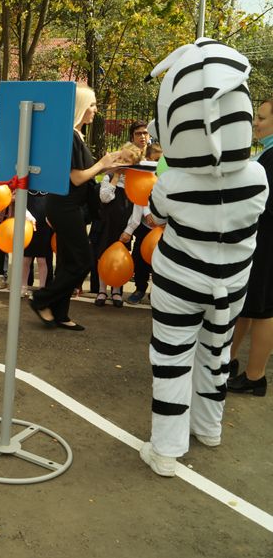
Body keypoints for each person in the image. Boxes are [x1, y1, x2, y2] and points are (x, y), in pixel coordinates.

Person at [139, 39, 268, 477]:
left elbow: (155, 218)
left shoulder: (173, 183)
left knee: (171, 358)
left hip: (180, 283)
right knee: (216, 352)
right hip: (232, 284)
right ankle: (209, 428)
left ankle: (166, 450)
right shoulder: (258, 177)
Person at [29, 86, 131, 331]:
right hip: (65, 207)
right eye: (92, 105)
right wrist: (103, 164)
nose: (95, 110)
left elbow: (85, 175)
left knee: (67, 262)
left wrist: (110, 165)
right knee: (83, 260)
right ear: (81, 107)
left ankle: (59, 313)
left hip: (67, 206)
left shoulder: (75, 135)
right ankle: (42, 300)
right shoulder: (70, 136)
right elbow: (76, 178)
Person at [227, 97, 273, 397]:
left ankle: (255, 376)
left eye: (262, 117)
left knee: (264, 310)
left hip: (266, 242)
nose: (255, 122)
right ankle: (225, 360)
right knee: (247, 306)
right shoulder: (267, 153)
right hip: (260, 240)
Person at [94, 142, 143, 307]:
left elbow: (138, 209)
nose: (121, 161)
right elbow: (105, 198)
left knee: (120, 258)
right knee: (103, 257)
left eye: (126, 159)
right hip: (107, 224)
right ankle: (102, 290)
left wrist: (129, 230)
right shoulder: (109, 177)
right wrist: (115, 177)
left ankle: (116, 291)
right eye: (120, 157)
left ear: (134, 164)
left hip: (124, 227)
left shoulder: (135, 182)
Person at [125, 121, 155, 304]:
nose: (143, 136)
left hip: (161, 219)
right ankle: (140, 288)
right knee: (139, 255)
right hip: (140, 215)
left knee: (159, 258)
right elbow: (141, 191)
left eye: (145, 133)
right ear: (132, 136)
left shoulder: (158, 154)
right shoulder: (131, 156)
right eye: (138, 133)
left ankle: (157, 291)